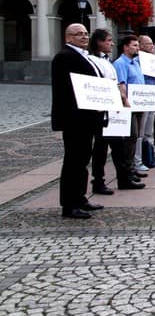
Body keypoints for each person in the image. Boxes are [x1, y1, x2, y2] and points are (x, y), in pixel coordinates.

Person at [51, 23, 106, 218]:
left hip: (87, 117)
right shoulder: (64, 56)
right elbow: (67, 89)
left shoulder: (84, 55)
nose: (84, 37)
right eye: (78, 34)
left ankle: (80, 198)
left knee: (83, 160)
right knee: (73, 161)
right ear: (68, 37)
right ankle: (69, 204)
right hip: (75, 118)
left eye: (85, 33)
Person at [88, 29, 145, 193]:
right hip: (102, 109)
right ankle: (98, 181)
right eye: (108, 40)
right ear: (99, 42)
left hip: (113, 108)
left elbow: (117, 83)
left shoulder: (107, 61)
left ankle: (124, 178)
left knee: (118, 146)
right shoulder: (93, 60)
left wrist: (122, 99)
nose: (112, 44)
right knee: (100, 148)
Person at [113, 35, 150, 181]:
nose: (137, 48)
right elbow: (121, 84)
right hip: (129, 106)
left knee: (136, 137)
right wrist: (125, 101)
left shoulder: (135, 63)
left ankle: (132, 167)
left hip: (140, 104)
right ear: (125, 47)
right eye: (134, 45)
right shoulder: (120, 63)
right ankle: (128, 169)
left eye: (137, 45)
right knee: (130, 138)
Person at [136, 35, 155, 169]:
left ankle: (150, 158)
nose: (152, 46)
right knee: (140, 132)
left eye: (152, 43)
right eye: (148, 44)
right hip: (142, 97)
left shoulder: (154, 61)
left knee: (148, 131)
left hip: (152, 95)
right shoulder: (137, 61)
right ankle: (138, 160)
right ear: (140, 45)